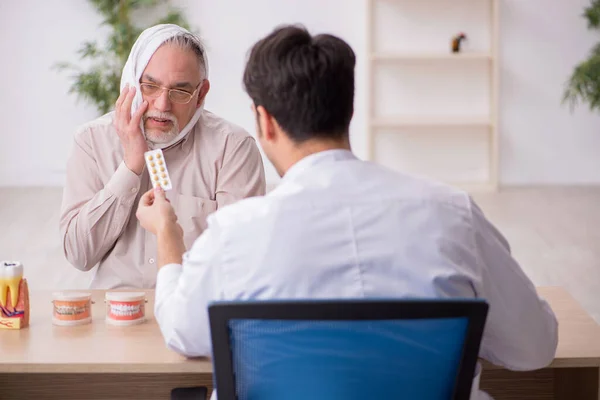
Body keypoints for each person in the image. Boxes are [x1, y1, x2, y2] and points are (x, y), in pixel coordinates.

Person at [135, 25, 558, 399]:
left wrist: (169, 239)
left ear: (264, 122)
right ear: (349, 112)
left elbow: (183, 332)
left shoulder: (236, 233)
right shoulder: (453, 215)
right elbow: (535, 347)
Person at [60, 24, 266, 289]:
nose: (162, 105)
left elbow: (241, 262)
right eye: (150, 86)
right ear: (132, 83)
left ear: (201, 94)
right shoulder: (91, 140)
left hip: (195, 312)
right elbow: (79, 254)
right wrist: (131, 167)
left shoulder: (233, 147)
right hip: (115, 315)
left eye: (180, 91)